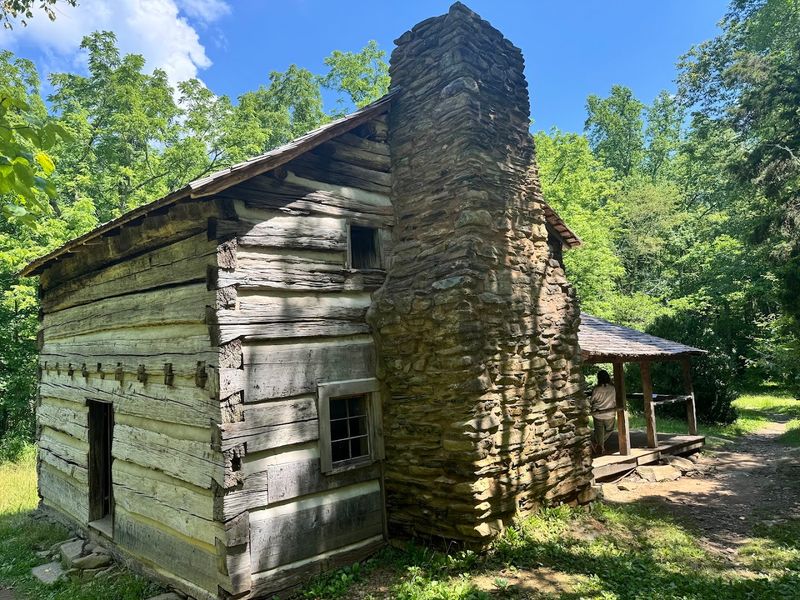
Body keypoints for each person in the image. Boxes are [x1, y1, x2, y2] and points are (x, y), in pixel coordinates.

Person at [591, 369, 617, 456]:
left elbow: (592, 400)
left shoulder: (596, 389)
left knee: (599, 432)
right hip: (609, 413)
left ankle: (599, 445)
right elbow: (614, 399)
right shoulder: (612, 388)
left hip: (597, 413)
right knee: (609, 430)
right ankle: (599, 445)